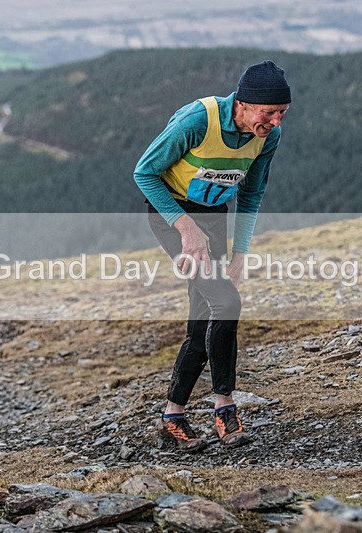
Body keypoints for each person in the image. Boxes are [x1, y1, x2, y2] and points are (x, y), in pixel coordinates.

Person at [133, 60, 290, 452]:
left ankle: (173, 416)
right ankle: (225, 408)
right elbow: (144, 173)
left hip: (214, 218)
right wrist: (187, 229)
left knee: (205, 313)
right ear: (242, 104)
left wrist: (240, 254)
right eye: (267, 112)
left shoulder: (267, 137)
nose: (273, 121)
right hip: (171, 214)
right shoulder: (197, 121)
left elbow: (252, 194)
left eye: (282, 114)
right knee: (226, 300)